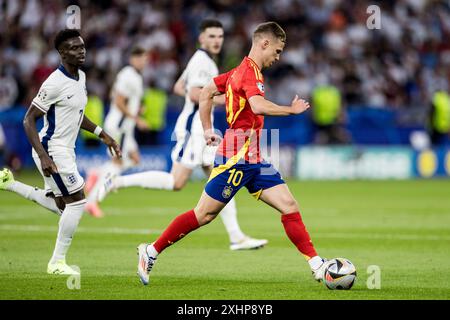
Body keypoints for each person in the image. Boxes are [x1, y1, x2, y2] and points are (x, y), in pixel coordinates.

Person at [136, 22, 328, 286]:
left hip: (254, 159)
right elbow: (257, 105)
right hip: (235, 158)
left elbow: (206, 92)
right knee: (204, 214)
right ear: (264, 44)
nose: (278, 57)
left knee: (289, 206)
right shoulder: (250, 74)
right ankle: (151, 251)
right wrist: (289, 110)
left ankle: (317, 266)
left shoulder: (238, 72)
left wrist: (206, 129)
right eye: (278, 50)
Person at [94, 19, 267, 251]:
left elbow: (179, 87)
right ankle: (117, 180)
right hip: (193, 127)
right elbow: (195, 94)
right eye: (212, 36)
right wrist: (229, 99)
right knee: (176, 182)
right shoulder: (203, 62)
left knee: (221, 177)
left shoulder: (199, 60)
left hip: (202, 128)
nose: (217, 40)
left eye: (220, 36)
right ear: (201, 38)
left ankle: (236, 236)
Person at [0, 29, 121, 275]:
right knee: (78, 203)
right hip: (53, 150)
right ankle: (57, 262)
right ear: (62, 53)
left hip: (66, 149)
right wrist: (44, 156)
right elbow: (28, 120)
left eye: (82, 46)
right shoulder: (53, 83)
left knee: (63, 207)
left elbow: (77, 114)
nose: (81, 51)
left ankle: (10, 184)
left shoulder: (81, 77)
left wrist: (102, 133)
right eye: (75, 48)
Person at [84, 46, 149, 217]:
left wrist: (137, 110)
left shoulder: (134, 76)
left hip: (125, 126)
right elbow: (119, 102)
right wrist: (136, 118)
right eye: (140, 58)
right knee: (116, 164)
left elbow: (126, 101)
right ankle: (92, 201)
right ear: (132, 59)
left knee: (135, 159)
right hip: (119, 126)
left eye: (144, 58)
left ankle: (95, 174)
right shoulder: (129, 75)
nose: (143, 61)